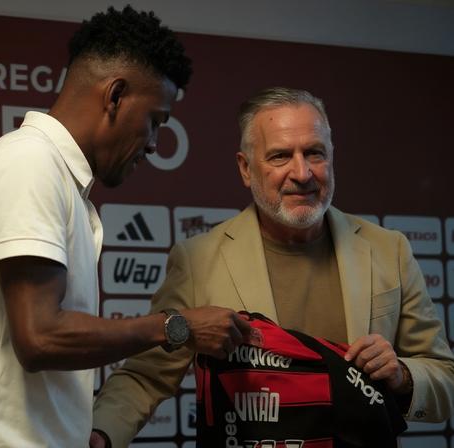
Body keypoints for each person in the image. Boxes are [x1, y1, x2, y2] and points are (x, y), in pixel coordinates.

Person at [0, 7, 254, 448]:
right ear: (115, 95)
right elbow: (40, 336)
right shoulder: (30, 164)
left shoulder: (57, 178)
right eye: (155, 120)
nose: (152, 143)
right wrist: (176, 326)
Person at [90, 87, 454, 447]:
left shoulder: (388, 249)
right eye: (280, 156)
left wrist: (403, 376)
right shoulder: (198, 259)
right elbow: (146, 376)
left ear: (332, 157)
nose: (302, 173)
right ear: (246, 169)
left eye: (314, 153)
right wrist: (99, 433)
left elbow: (444, 377)